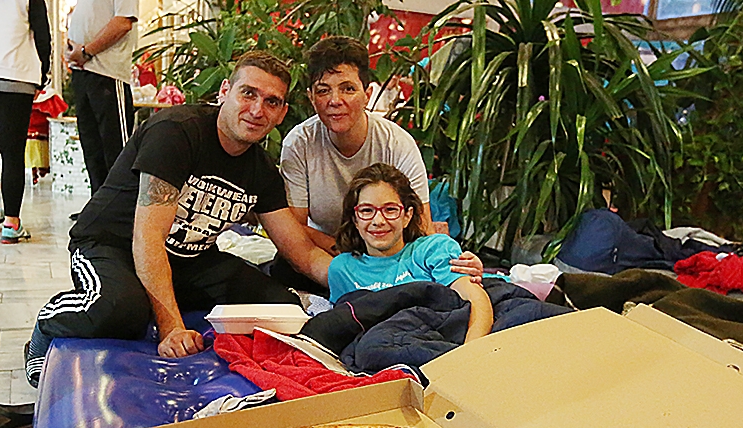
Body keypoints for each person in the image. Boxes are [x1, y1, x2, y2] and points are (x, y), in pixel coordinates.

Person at [24, 51, 332, 388]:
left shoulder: (261, 170)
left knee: (280, 304)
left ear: (282, 113)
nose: (257, 110)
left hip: (188, 259)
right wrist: (171, 327)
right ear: (224, 91)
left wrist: (358, 282)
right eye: (248, 93)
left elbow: (300, 252)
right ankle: (47, 323)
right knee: (120, 312)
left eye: (271, 102)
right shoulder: (176, 132)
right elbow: (148, 236)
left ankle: (155, 300)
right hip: (112, 246)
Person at [276, 36, 481, 290]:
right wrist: (351, 264)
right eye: (323, 90)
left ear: (367, 94)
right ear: (311, 97)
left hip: (391, 259)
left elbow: (419, 223)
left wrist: (452, 264)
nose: (335, 100)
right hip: (328, 255)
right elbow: (295, 229)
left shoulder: (397, 143)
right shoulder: (299, 143)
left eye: (348, 89)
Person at [329, 163, 492, 343]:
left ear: (407, 216)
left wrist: (469, 352)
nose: (378, 221)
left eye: (390, 210)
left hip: (445, 339)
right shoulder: (341, 269)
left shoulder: (433, 248)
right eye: (367, 211)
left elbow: (476, 300)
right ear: (355, 220)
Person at [0, 0, 51, 242]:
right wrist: (43, 73)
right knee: (12, 151)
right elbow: (41, 32)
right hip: (17, 73)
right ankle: (11, 223)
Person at [65, 0, 138, 195]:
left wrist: (86, 51)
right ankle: (99, 205)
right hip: (83, 72)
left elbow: (123, 22)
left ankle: (122, 207)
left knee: (117, 152)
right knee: (92, 150)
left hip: (107, 74)